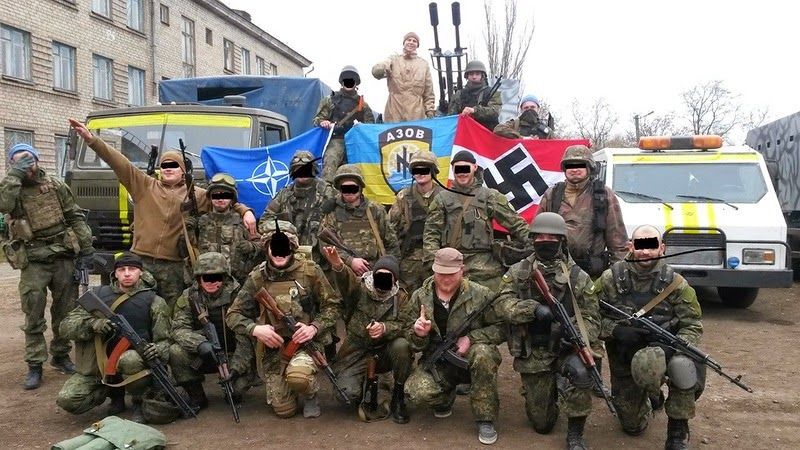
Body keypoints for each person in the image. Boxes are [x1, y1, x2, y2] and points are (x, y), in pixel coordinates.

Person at [68, 119, 257, 308]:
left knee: (171, 310)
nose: (168, 169)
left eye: (174, 165)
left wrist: (245, 211)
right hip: (141, 262)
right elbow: (119, 162)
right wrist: (92, 140)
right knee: (136, 306)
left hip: (174, 267)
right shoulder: (143, 185)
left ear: (183, 170)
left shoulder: (197, 195)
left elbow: (223, 201)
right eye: (165, 165)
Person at [494, 213, 600, 450]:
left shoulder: (577, 276)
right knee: (542, 424)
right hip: (535, 350)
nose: (545, 241)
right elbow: (501, 305)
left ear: (562, 240)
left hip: (566, 348)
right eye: (540, 237)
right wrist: (532, 309)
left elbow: (592, 318)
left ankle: (575, 434)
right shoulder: (519, 271)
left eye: (551, 237)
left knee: (582, 370)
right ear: (532, 239)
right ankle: (550, 388)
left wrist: (577, 336)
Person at [595, 225, 704, 450]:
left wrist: (672, 348)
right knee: (632, 426)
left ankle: (677, 432)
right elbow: (588, 316)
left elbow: (692, 325)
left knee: (683, 367)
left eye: (651, 245)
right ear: (631, 246)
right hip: (626, 357)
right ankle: (651, 395)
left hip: (666, 353)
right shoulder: (610, 279)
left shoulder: (676, 284)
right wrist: (615, 330)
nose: (646, 252)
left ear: (662, 248)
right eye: (640, 245)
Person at [0, 143, 94, 390]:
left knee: (66, 310)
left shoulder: (55, 185)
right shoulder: (12, 188)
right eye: (19, 161)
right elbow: (3, 206)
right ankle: (35, 364)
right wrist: (15, 175)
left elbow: (74, 216)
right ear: (12, 165)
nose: (26, 166)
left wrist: (86, 250)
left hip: (62, 255)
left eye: (29, 160)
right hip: (33, 260)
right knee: (33, 311)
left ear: (38, 160)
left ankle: (61, 355)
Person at [226, 220, 341, 419]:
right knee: (284, 410)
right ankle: (290, 386)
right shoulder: (258, 277)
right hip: (274, 348)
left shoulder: (310, 271)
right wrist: (256, 329)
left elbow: (333, 305)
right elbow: (233, 314)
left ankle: (310, 393)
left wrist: (314, 327)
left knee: (299, 377)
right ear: (267, 248)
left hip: (306, 344)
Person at [404, 248, 505, 445]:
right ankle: (444, 397)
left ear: (462, 270)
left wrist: (472, 338)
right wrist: (418, 334)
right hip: (439, 362)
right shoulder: (420, 297)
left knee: (484, 354)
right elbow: (410, 339)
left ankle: (485, 418)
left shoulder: (480, 294)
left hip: (471, 357)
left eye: (451, 273)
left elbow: (501, 328)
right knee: (415, 393)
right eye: (441, 273)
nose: (446, 279)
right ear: (433, 270)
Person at [56, 252, 171, 423]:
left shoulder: (154, 301)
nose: (127, 274)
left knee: (130, 360)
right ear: (115, 273)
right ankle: (113, 395)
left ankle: (138, 402)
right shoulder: (98, 296)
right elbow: (65, 327)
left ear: (141, 272)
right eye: (122, 270)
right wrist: (93, 324)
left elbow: (164, 341)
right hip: (99, 366)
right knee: (68, 399)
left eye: (132, 269)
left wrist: (156, 350)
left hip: (135, 364)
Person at [322, 249, 413, 423]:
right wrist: (338, 265)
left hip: (385, 351)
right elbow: (345, 280)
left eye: (388, 277)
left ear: (394, 279)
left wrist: (385, 328)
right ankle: (366, 382)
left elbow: (405, 325)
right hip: (357, 350)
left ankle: (395, 393)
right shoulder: (360, 288)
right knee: (346, 394)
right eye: (380, 275)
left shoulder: (401, 297)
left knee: (402, 346)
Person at [423, 150, 529, 291]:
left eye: (465, 168)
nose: (462, 173)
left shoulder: (490, 196)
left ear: (474, 167)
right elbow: (431, 234)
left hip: (485, 268)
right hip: (451, 264)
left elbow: (516, 224)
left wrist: (535, 243)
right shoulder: (442, 199)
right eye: (458, 169)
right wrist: (435, 264)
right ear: (453, 170)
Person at [169, 251, 255, 411]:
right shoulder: (189, 297)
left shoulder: (238, 296)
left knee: (235, 390)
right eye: (205, 278)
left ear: (225, 277)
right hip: (204, 354)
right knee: (176, 352)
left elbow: (246, 336)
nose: (211, 282)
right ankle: (197, 396)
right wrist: (200, 344)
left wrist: (236, 369)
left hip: (233, 353)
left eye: (216, 277)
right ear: (198, 278)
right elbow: (179, 329)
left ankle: (232, 387)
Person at [537, 144, 628, 278]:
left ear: (589, 168)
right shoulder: (552, 194)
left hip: (592, 273)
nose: (574, 170)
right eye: (570, 166)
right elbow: (537, 234)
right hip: (556, 272)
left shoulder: (603, 195)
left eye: (580, 165)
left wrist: (617, 275)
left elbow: (618, 242)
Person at [319, 164, 400, 280]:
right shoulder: (332, 212)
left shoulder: (375, 210)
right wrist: (350, 261)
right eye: (345, 188)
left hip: (375, 273)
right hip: (343, 274)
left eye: (353, 188)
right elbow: (325, 246)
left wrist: (390, 270)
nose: (349, 192)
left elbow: (391, 244)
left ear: (360, 187)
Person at [259, 150, 337, 269]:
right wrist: (284, 229)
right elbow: (264, 222)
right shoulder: (284, 194)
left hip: (321, 261)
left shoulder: (327, 192)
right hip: (287, 259)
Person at [187, 173, 261, 284]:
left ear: (232, 199)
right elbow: (185, 251)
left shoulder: (242, 221)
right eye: (216, 195)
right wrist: (188, 232)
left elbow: (262, 244)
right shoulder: (201, 222)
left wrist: (251, 246)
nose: (220, 199)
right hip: (207, 282)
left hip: (237, 282)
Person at [388, 150, 443, 293]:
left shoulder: (445, 197)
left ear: (433, 171)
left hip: (438, 260)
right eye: (416, 170)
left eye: (424, 169)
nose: (420, 173)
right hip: (409, 261)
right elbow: (391, 231)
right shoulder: (404, 197)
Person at [313, 66, 375, 183]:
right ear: (342, 82)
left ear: (356, 83)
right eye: (346, 79)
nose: (349, 82)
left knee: (364, 168)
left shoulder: (363, 105)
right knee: (330, 162)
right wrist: (323, 122)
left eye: (352, 80)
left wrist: (361, 127)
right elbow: (317, 119)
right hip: (337, 139)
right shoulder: (330, 100)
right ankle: (327, 189)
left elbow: (371, 127)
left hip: (356, 142)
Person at [372, 32, 436, 122]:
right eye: (409, 40)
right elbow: (377, 72)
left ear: (417, 45)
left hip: (416, 115)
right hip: (394, 112)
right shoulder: (393, 60)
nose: (411, 42)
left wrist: (430, 112)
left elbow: (428, 92)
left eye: (414, 41)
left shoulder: (423, 64)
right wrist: (381, 67)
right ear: (404, 42)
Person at [447, 60, 501, 131]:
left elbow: (495, 112)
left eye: (477, 74)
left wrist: (474, 110)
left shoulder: (492, 92)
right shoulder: (459, 94)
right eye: (471, 74)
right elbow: (451, 117)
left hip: (486, 132)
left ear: (482, 75)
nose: (474, 77)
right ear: (467, 76)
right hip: (465, 132)